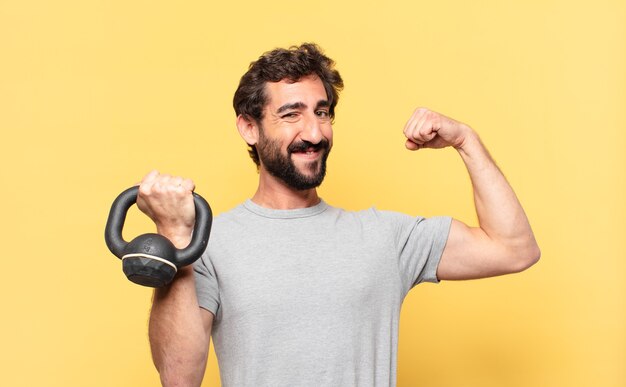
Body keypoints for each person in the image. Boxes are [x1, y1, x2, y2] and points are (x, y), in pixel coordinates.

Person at [136, 43, 540, 387]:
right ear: (249, 128)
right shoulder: (208, 243)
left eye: (323, 112)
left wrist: (466, 141)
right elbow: (178, 378)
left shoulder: (385, 237)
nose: (314, 133)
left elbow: (513, 248)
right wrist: (174, 234)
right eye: (292, 114)